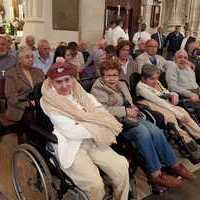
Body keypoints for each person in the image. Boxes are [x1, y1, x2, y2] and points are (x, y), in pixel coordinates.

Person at [91, 59, 192, 188]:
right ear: (102, 75)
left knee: (155, 130)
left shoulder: (122, 84)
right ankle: (155, 174)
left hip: (132, 117)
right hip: (116, 122)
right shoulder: (97, 89)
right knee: (143, 133)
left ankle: (173, 165)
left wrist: (133, 108)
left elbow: (129, 101)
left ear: (119, 75)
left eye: (115, 75)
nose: (112, 78)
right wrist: (125, 111)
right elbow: (102, 109)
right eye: (108, 75)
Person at [40, 62, 129, 200]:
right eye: (59, 82)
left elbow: (103, 112)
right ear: (52, 83)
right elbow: (71, 131)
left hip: (93, 140)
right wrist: (96, 122)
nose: (64, 85)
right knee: (95, 185)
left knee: (122, 167)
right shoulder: (48, 101)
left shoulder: (82, 94)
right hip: (71, 145)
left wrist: (86, 122)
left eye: (67, 80)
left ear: (73, 79)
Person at [136, 64, 200, 162]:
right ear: (143, 78)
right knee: (171, 117)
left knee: (183, 112)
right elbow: (158, 101)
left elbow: (164, 92)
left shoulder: (156, 82)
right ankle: (189, 144)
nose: (155, 81)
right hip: (150, 104)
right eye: (152, 79)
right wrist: (176, 113)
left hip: (163, 103)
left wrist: (173, 94)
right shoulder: (141, 88)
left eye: (157, 78)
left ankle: (198, 135)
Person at [5, 47, 45, 122]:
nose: (31, 59)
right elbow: (11, 97)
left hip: (39, 104)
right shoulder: (11, 74)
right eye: (27, 57)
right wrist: (28, 103)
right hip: (20, 108)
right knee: (33, 119)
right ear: (19, 60)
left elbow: (45, 90)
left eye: (32, 57)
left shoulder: (39, 72)